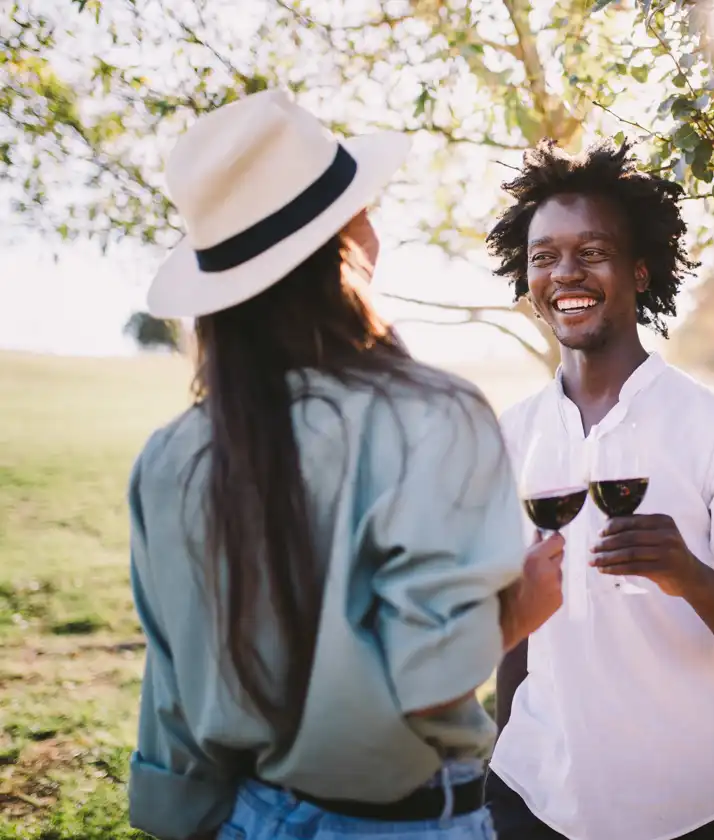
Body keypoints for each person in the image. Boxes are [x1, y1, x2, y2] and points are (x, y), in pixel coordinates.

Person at [125, 89, 563, 840]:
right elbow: (431, 683)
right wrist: (521, 608)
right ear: (347, 244)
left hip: (240, 816)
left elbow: (171, 696)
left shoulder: (170, 456)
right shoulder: (435, 416)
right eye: (364, 207)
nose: (375, 223)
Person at [482, 139, 714, 840]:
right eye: (544, 256)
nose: (565, 273)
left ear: (638, 270)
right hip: (532, 797)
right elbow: (516, 629)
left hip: (689, 808)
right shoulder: (511, 435)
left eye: (591, 252)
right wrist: (504, 751)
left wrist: (688, 576)